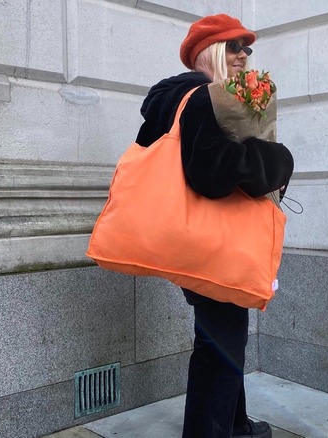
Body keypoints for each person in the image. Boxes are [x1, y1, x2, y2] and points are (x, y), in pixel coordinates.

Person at [134, 13, 293, 438]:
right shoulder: (204, 98)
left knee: (222, 336)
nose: (243, 54)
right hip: (213, 238)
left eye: (247, 47)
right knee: (218, 343)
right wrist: (277, 161)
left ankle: (235, 424)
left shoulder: (170, 100)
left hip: (186, 236)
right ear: (208, 53)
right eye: (233, 46)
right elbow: (210, 174)